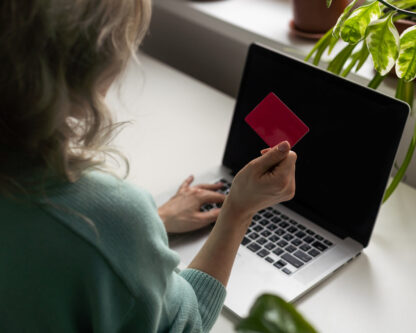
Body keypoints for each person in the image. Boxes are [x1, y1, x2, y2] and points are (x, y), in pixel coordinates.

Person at [0, 1, 297, 332]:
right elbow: (187, 324)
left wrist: (152, 225)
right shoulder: (105, 219)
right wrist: (239, 209)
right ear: (90, 58)